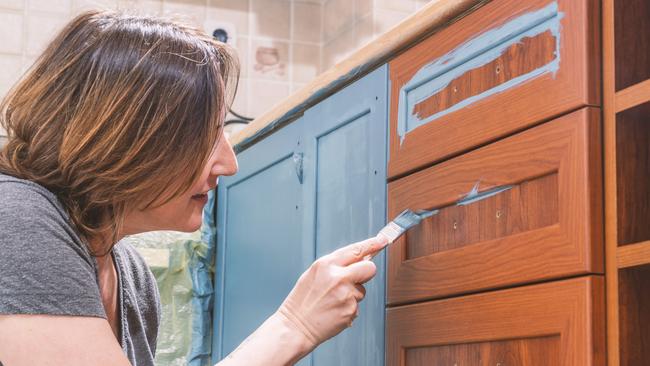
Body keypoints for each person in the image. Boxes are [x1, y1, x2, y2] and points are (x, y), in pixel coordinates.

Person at [0, 11, 387, 366]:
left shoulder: (132, 279)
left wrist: (297, 324)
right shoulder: (17, 219)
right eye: (207, 134)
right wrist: (295, 326)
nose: (229, 164)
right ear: (122, 136)